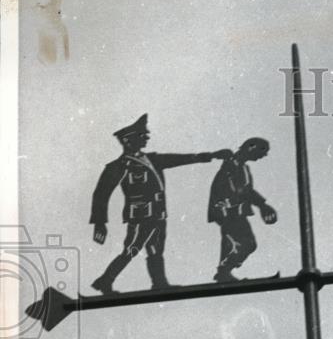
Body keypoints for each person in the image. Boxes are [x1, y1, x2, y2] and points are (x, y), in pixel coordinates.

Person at [90, 114, 230, 293]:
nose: (146, 138)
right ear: (127, 140)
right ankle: (105, 281)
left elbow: (182, 159)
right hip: (140, 216)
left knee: (156, 250)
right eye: (141, 136)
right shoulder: (119, 166)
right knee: (132, 249)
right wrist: (100, 223)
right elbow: (101, 195)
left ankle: (159, 283)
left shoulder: (153, 159)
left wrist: (212, 155)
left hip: (158, 214)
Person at [206, 137, 277, 283]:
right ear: (251, 147)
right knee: (243, 242)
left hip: (235, 210)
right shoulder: (233, 163)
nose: (264, 155)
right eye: (263, 151)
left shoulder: (242, 166)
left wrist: (262, 205)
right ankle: (223, 272)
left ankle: (224, 272)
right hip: (228, 210)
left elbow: (246, 190)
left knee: (244, 242)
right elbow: (242, 190)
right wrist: (262, 205)